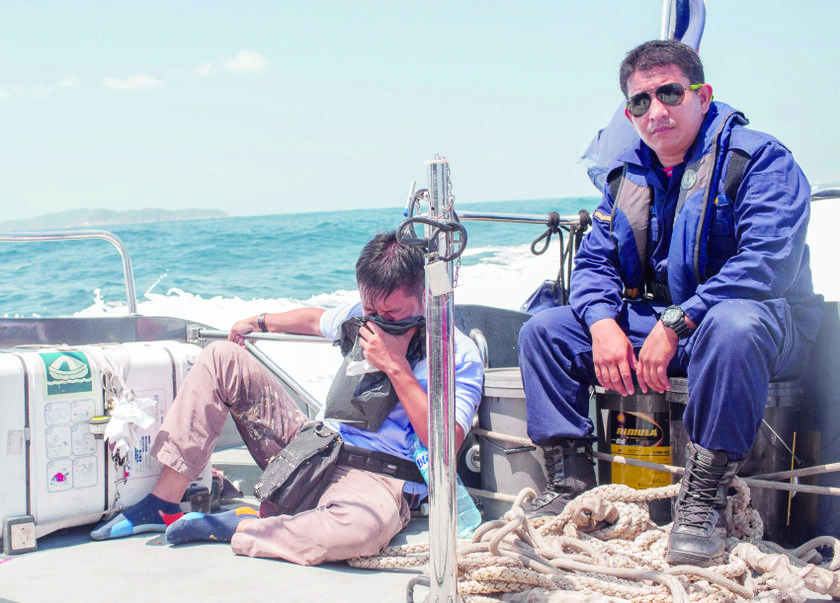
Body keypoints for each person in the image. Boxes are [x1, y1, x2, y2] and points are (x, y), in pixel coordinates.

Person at [518, 40, 823, 567]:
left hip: (756, 322)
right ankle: (570, 483)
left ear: (702, 96)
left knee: (733, 326)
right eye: (640, 101)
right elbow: (594, 266)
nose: (655, 111)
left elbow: (766, 264)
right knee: (544, 331)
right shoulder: (624, 177)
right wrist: (601, 324)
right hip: (658, 323)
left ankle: (702, 499)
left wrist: (679, 322)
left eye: (670, 93)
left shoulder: (759, 160)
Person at [91, 231, 484, 565]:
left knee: (357, 534)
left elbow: (445, 444)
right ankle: (163, 503)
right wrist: (259, 321)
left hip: (380, 474)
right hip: (315, 448)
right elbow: (315, 320)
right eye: (371, 310)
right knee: (221, 357)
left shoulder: (456, 353)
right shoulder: (359, 316)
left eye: (393, 314)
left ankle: (243, 527)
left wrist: (396, 366)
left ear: (425, 295)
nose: (379, 321)